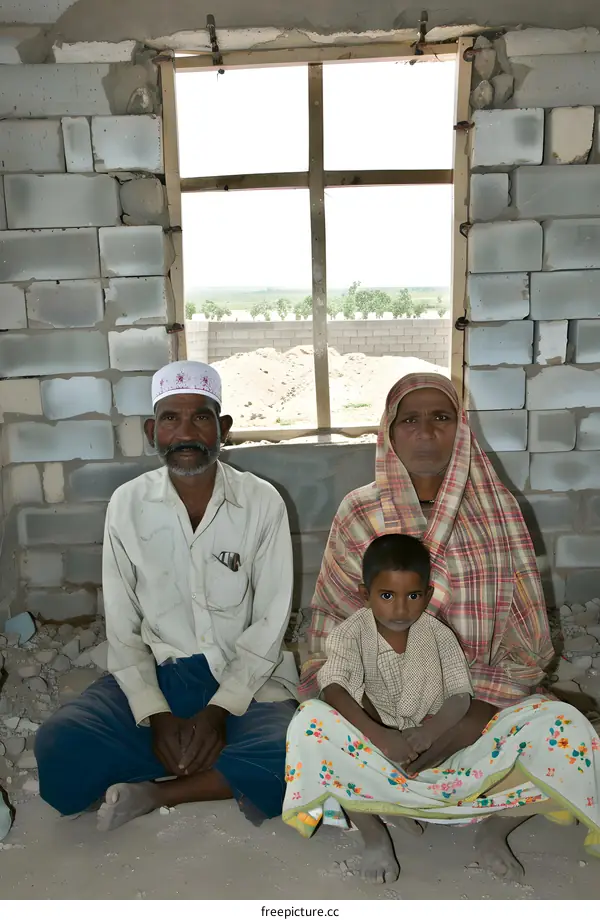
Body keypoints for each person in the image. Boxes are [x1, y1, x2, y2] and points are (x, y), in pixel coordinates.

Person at [282, 372, 600, 884]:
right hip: (380, 710)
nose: (426, 431)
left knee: (566, 730)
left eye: (441, 417)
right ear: (389, 431)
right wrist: (379, 728)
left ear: (462, 429)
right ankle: (376, 828)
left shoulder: (499, 512)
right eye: (410, 419)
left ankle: (492, 829)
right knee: (311, 726)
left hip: (480, 704)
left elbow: (527, 639)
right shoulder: (360, 511)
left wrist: (470, 716)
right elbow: (328, 625)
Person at [36, 360, 298, 831]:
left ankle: (156, 791)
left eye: (201, 417)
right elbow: (121, 620)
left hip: (242, 678)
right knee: (60, 748)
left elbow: (271, 619)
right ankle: (206, 765)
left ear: (223, 428)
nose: (186, 432)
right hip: (159, 672)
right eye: (171, 419)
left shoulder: (263, 502)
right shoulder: (127, 504)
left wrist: (219, 711)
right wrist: (154, 714)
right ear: (151, 430)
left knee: (294, 751)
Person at [317, 534, 473, 770]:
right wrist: (380, 738)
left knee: (512, 719)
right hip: (366, 738)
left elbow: (460, 695)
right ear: (366, 595)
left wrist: (428, 733)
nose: (401, 610)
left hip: (427, 740)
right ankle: (369, 792)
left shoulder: (439, 635)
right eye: (387, 596)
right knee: (310, 717)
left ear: (427, 596)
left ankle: (419, 779)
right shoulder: (351, 634)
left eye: (413, 596)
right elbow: (333, 688)